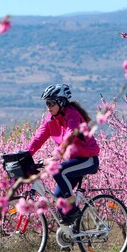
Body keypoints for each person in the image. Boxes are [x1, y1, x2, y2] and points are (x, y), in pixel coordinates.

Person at [26, 84, 100, 225]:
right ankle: (70, 235)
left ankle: (73, 209)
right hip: (72, 162)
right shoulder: (51, 119)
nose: (48, 106)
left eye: (51, 103)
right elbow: (38, 139)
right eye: (47, 103)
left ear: (61, 102)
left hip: (88, 159)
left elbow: (69, 136)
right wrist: (24, 155)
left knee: (58, 170)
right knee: (59, 199)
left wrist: (55, 156)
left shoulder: (73, 115)